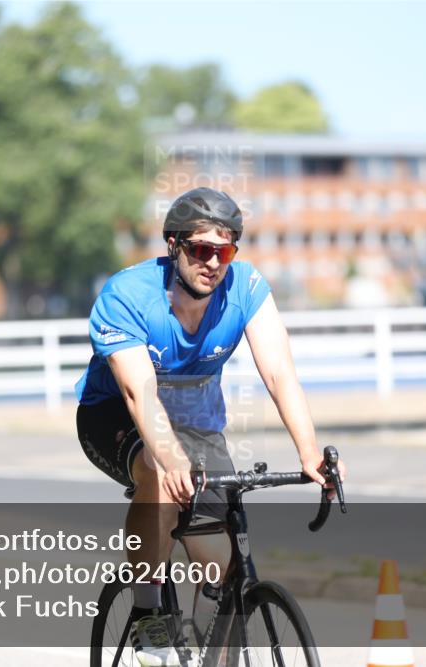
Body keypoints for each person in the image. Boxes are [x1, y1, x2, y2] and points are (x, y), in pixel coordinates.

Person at [75, 188, 347, 665]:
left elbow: (280, 372)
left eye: (225, 252)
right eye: (202, 250)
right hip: (116, 414)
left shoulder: (245, 288)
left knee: (219, 570)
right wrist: (172, 459)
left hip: (198, 427)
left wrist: (309, 453)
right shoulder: (127, 296)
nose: (214, 263)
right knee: (159, 478)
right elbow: (140, 393)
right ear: (174, 246)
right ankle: (149, 615)